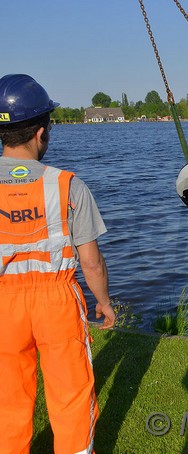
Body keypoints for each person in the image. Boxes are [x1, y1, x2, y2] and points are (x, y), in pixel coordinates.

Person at [0, 74, 115, 454]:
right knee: (70, 395)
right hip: (56, 302)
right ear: (41, 133)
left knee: (8, 400)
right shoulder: (68, 185)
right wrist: (104, 302)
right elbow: (91, 261)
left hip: (3, 306)